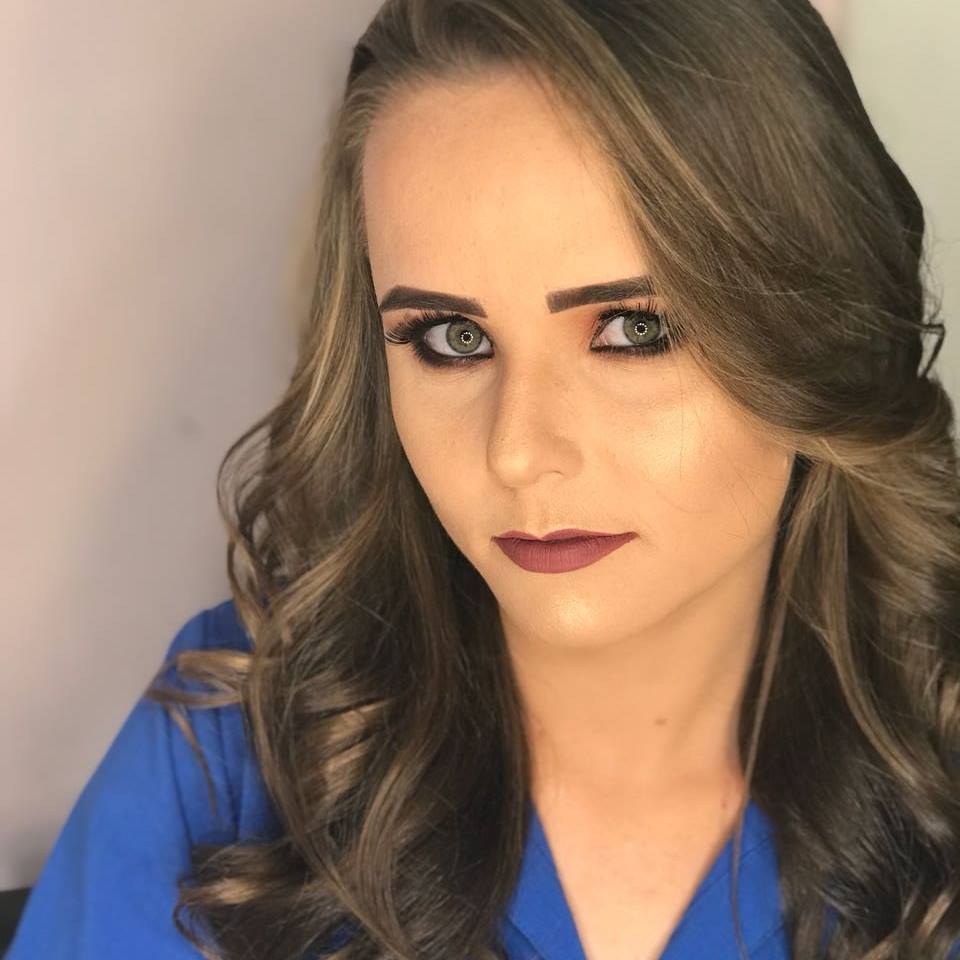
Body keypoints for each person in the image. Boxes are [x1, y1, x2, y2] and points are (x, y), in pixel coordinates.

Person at [8, 0, 957, 958]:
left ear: (821, 328)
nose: (516, 450)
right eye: (453, 339)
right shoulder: (232, 748)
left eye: (633, 329)